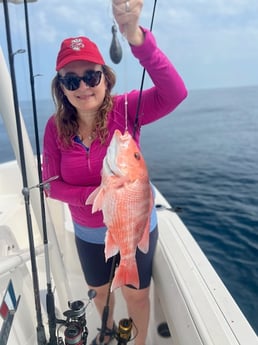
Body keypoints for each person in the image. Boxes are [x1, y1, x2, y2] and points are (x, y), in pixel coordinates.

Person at [42, 0, 187, 344]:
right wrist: (93, 195)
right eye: (71, 80)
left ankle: (139, 342)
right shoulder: (54, 128)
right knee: (100, 293)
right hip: (89, 234)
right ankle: (106, 334)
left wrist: (136, 37)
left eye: (91, 76)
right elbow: (50, 185)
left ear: (105, 79)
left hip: (135, 226)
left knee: (136, 294)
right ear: (61, 88)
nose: (83, 86)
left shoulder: (127, 109)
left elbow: (175, 93)